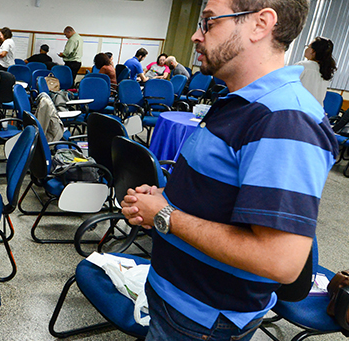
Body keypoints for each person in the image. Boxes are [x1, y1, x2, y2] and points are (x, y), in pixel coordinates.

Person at [121, 1, 338, 340]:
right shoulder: (239, 101)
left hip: (203, 320)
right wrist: (167, 198)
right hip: (178, 300)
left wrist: (165, 215)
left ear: (260, 24)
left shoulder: (284, 119)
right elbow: (220, 196)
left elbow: (278, 259)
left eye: (208, 22)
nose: (195, 35)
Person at [296, 36, 337, 103]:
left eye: (308, 46)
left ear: (313, 51)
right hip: (316, 111)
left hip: (298, 110)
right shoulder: (327, 70)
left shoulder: (302, 66)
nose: (306, 49)